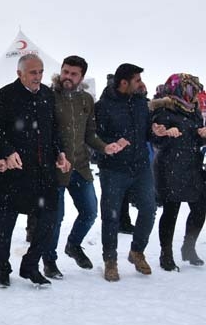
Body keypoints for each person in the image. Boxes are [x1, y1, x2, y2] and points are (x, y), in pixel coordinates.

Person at [0, 54, 70, 287]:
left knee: (49, 218)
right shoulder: (5, 95)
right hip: (13, 171)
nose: (38, 77)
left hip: (43, 171)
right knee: (5, 225)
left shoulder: (47, 95)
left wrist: (59, 152)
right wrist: (7, 151)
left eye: (41, 72)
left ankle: (30, 265)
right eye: (33, 72)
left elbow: (53, 129)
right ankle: (3, 269)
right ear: (19, 73)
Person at [43, 56, 123, 278]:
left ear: (81, 77)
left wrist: (105, 147)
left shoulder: (86, 100)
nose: (68, 77)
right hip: (56, 167)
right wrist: (54, 156)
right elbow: (44, 133)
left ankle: (73, 245)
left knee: (90, 212)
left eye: (73, 74)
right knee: (56, 217)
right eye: (65, 72)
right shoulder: (48, 96)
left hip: (80, 166)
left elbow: (90, 134)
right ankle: (49, 260)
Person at [95, 63, 162, 281]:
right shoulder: (103, 106)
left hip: (140, 167)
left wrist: (156, 131)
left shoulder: (141, 103)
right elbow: (95, 138)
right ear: (124, 83)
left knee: (149, 209)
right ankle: (110, 260)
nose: (141, 84)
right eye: (137, 80)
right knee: (111, 216)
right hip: (113, 169)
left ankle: (137, 251)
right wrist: (111, 144)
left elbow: (148, 133)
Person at [150, 74, 206, 271]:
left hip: (192, 167)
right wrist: (164, 133)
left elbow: (195, 139)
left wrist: (203, 135)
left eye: (194, 90)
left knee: (200, 208)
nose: (192, 94)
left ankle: (188, 247)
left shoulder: (193, 111)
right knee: (171, 211)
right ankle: (166, 255)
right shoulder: (164, 110)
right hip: (169, 167)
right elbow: (155, 138)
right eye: (189, 89)